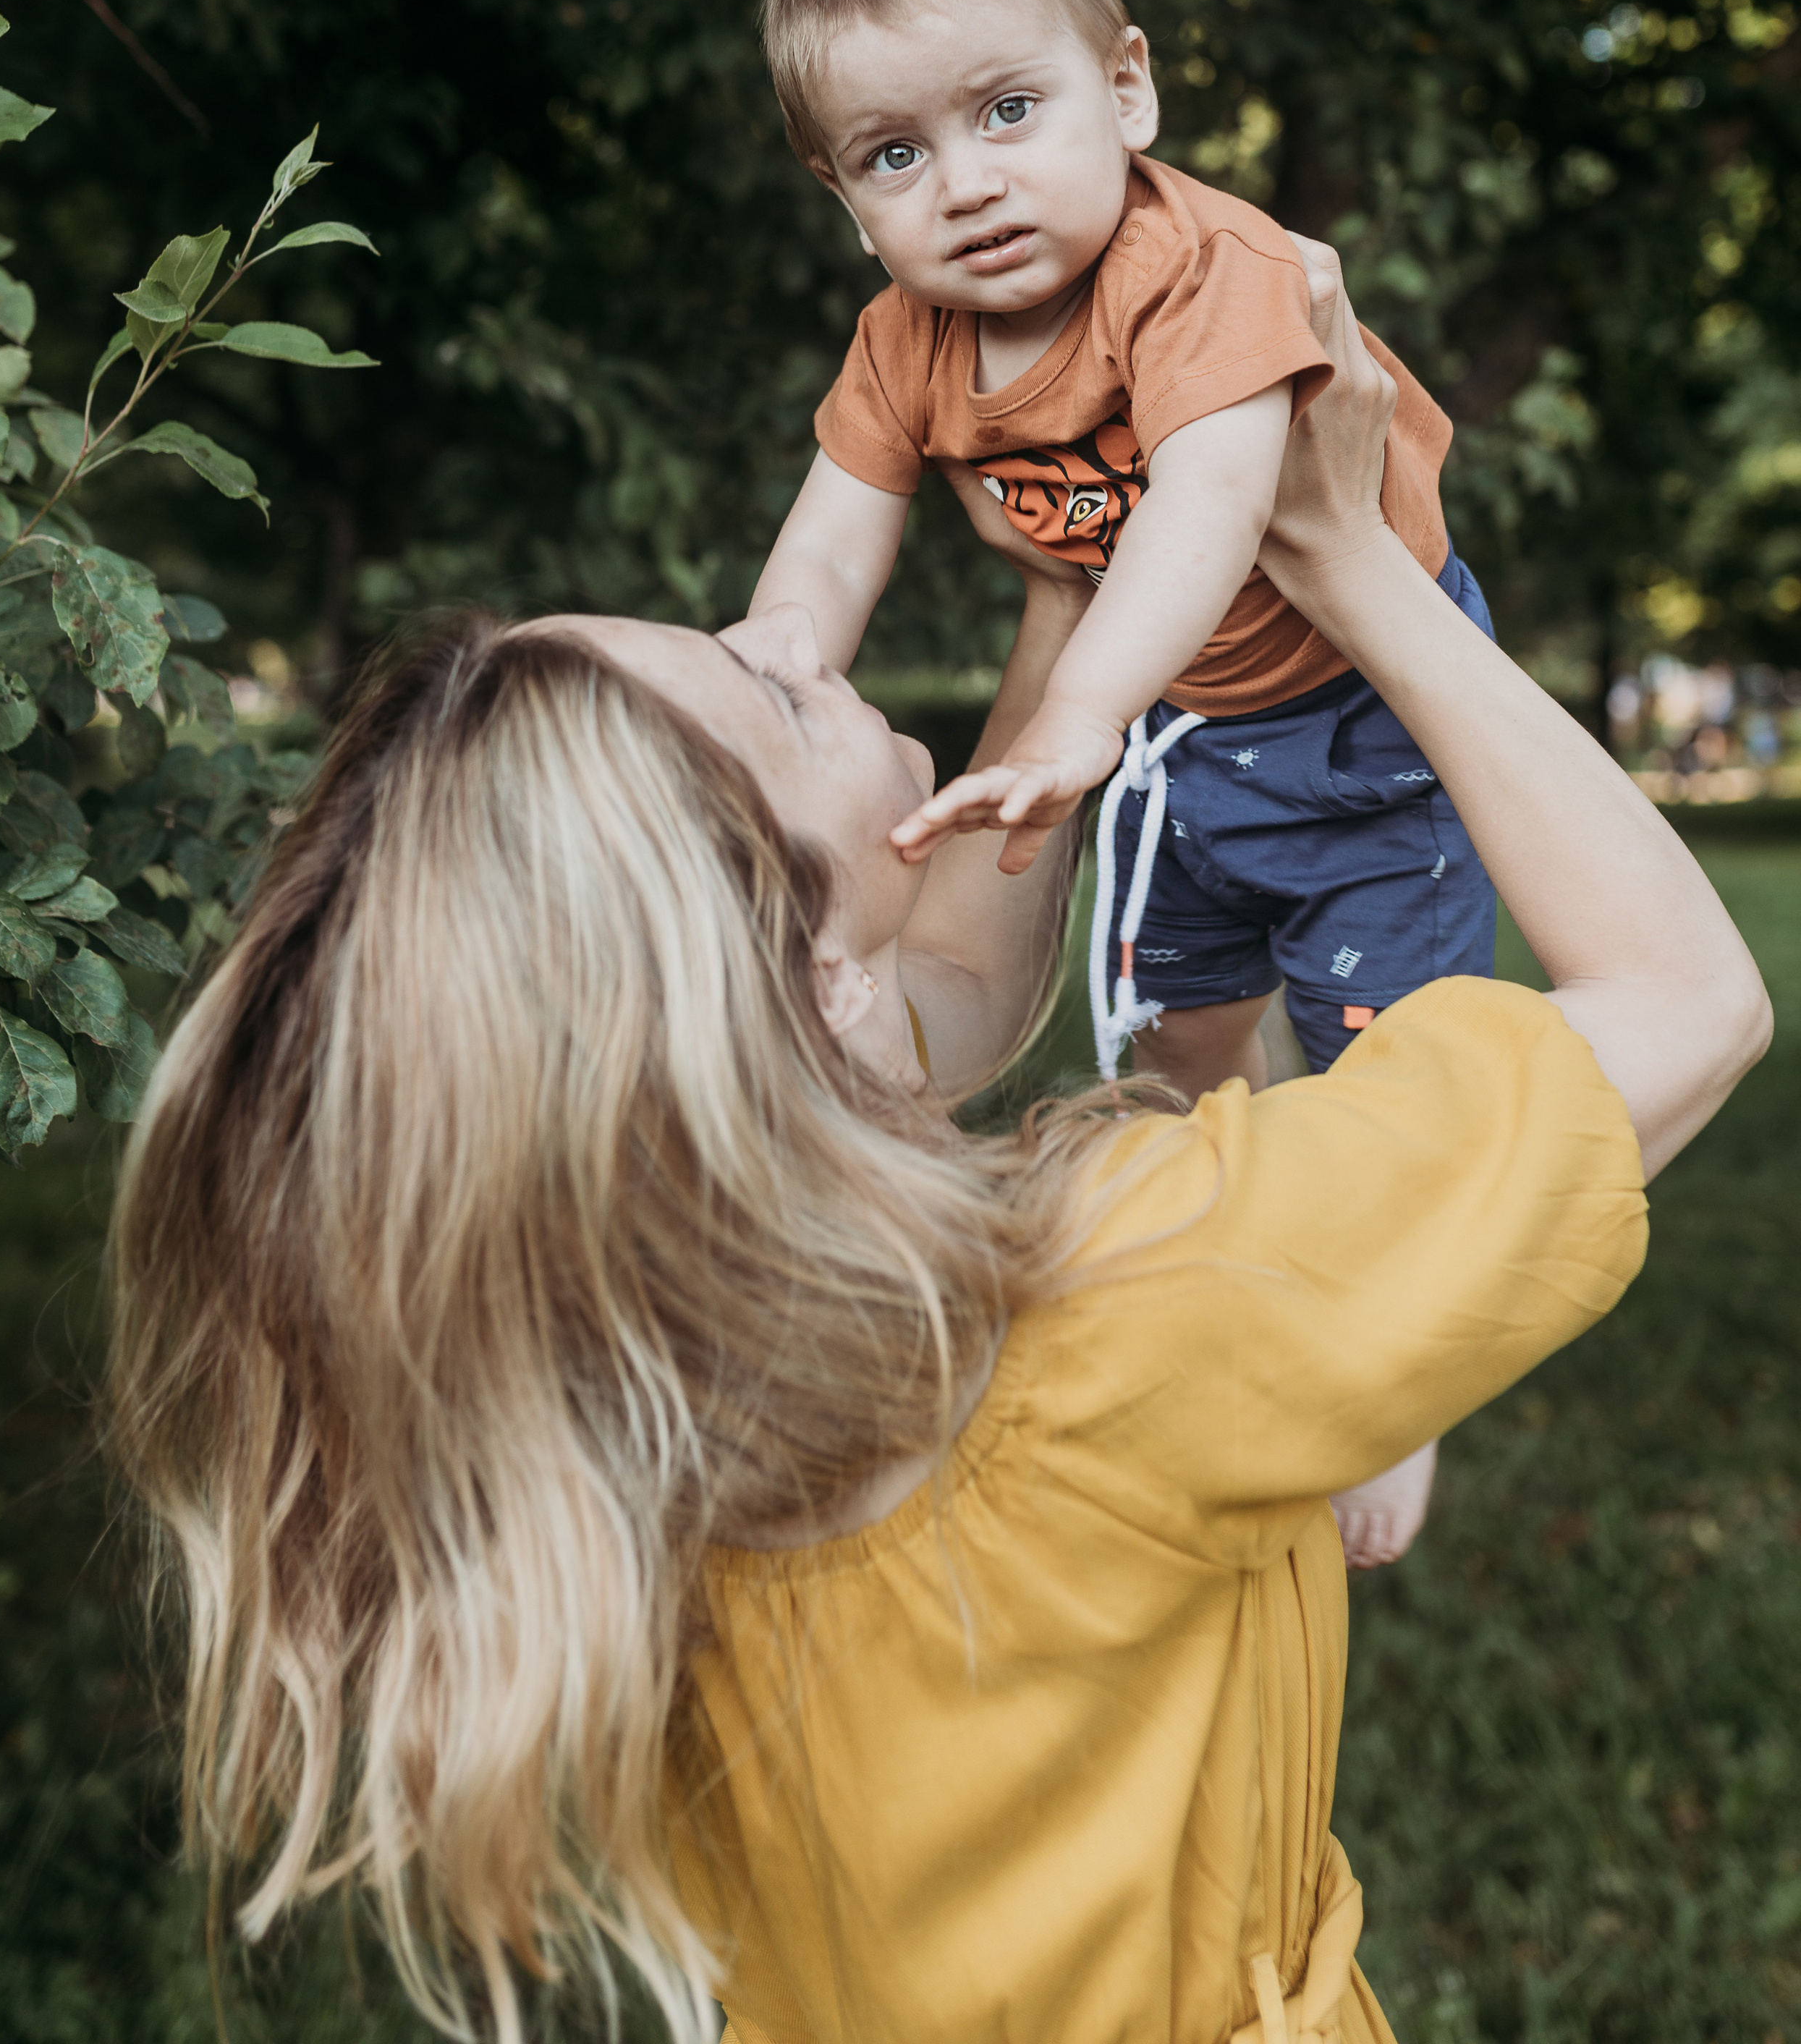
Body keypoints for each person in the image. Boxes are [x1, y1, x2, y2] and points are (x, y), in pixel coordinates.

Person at [106, 258, 1768, 2044]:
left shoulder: (598, 1403)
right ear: (819, 977)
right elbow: (1680, 996)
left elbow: (954, 972)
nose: (785, 637)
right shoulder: (1128, 1300)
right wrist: (1358, 563)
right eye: (760, 689)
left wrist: (1093, 574)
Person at [750, 0, 1493, 1560]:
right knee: (1175, 1030)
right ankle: (1208, 1248)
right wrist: (770, 665)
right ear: (841, 193)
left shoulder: (1199, 272)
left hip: (1355, 703)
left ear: (1125, 85)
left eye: (1007, 109)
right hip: (1178, 732)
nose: (966, 184)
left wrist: (1077, 714)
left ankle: (1399, 1374)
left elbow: (1213, 508)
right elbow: (828, 546)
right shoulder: (904, 343)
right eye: (895, 153)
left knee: (1391, 1047)